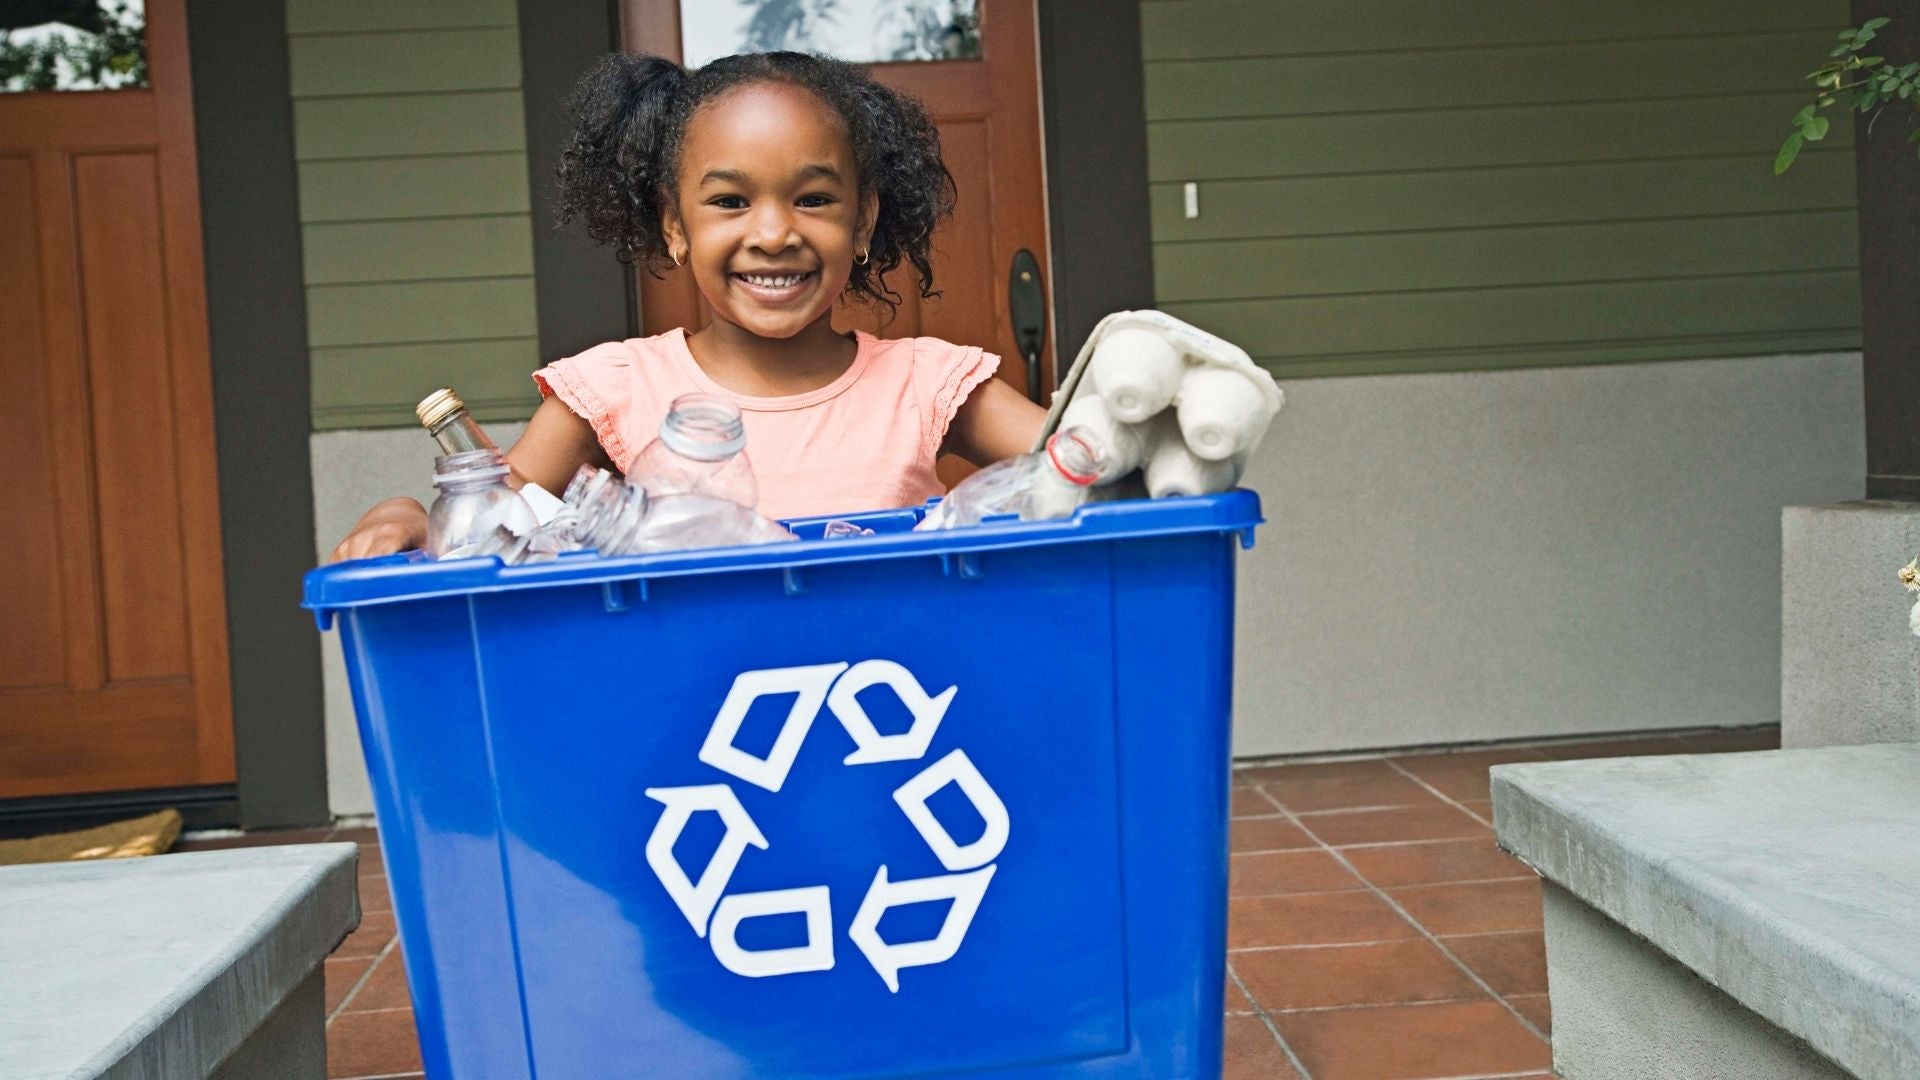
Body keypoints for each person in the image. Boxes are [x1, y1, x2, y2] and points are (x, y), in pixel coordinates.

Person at [330, 50, 1045, 563]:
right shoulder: (616, 388)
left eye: (815, 200)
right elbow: (491, 520)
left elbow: (1089, 464)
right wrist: (403, 515)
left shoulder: (929, 385)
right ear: (676, 225)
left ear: (862, 225)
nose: (773, 234)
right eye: (730, 202)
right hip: (685, 732)